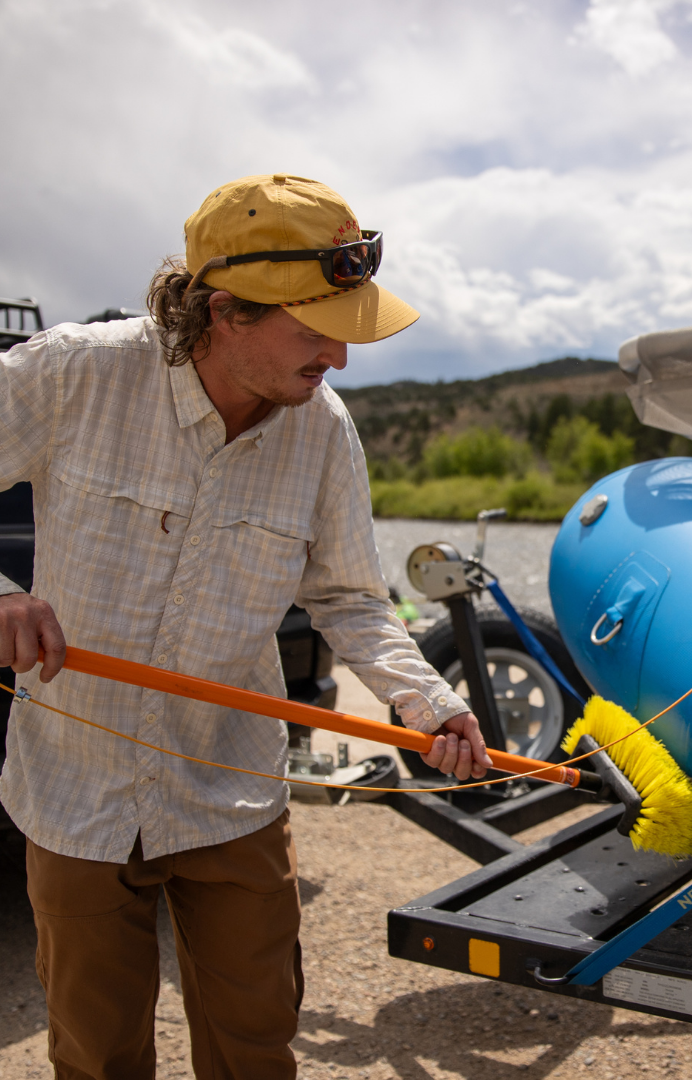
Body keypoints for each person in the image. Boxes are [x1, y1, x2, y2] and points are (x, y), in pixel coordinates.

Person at [0, 174, 493, 1079]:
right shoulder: (76, 373)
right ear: (225, 311)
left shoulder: (325, 430)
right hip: (73, 791)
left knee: (257, 1048)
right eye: (316, 333)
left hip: (227, 784)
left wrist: (425, 703)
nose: (339, 361)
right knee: (96, 1057)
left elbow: (349, 597)